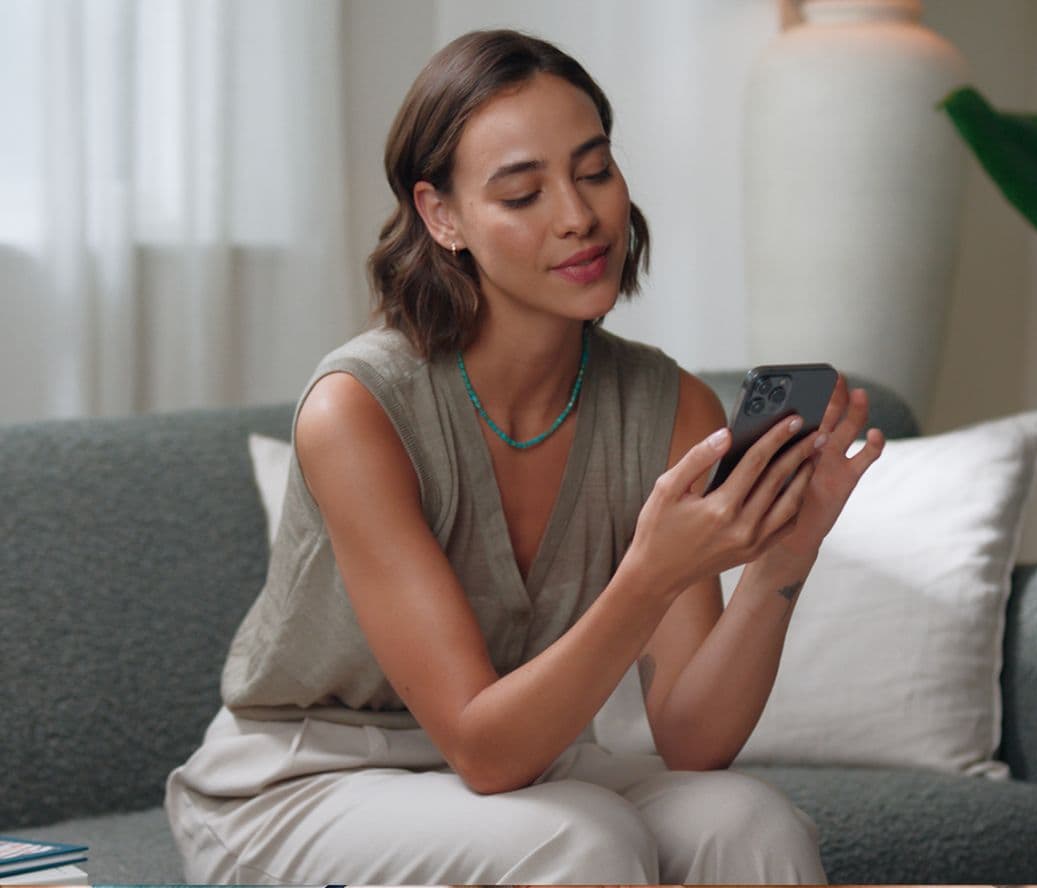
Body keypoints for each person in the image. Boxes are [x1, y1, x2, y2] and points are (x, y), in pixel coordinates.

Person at [165, 28, 884, 886]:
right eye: (522, 193)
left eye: (594, 171)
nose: (578, 217)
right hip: (310, 778)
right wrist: (650, 574)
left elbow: (693, 743)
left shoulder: (669, 406)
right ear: (442, 216)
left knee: (748, 823)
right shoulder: (357, 410)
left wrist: (781, 562)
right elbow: (483, 749)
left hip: (527, 761)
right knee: (581, 842)